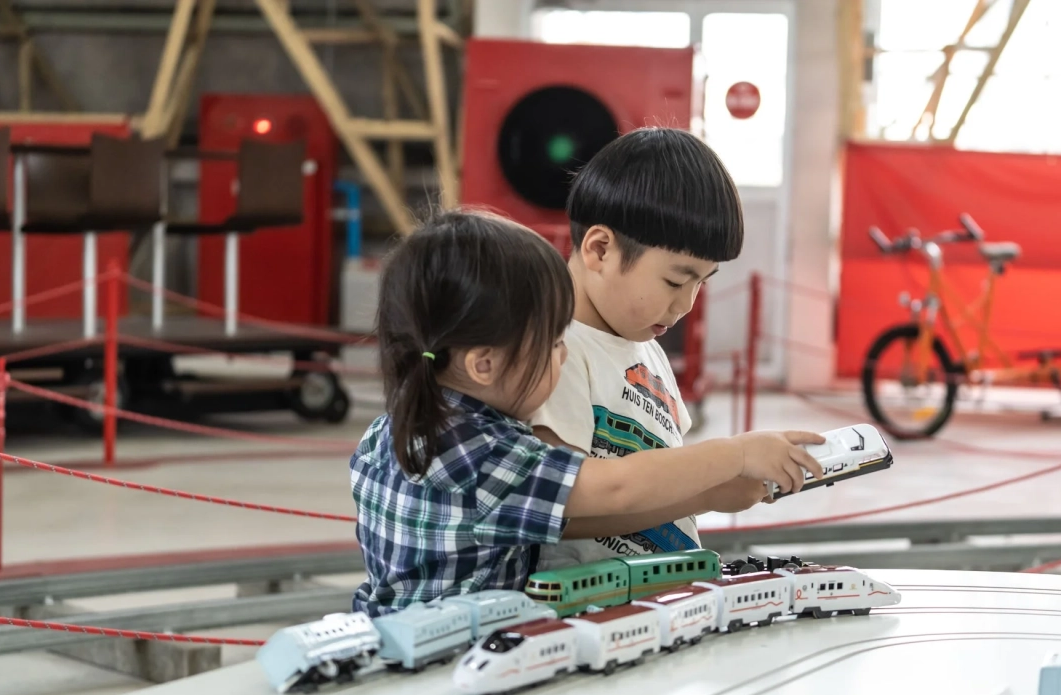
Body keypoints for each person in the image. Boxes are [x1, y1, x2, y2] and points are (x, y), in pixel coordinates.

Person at [350, 209, 823, 615]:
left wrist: (716, 493)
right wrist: (737, 453)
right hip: (455, 656)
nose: (564, 356)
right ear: (484, 363)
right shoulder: (482, 456)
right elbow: (615, 487)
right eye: (555, 343)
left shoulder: (392, 431)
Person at [531, 127, 810, 569]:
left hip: (657, 599)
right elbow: (560, 510)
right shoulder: (553, 351)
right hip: (588, 616)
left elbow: (650, 487)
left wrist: (716, 490)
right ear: (600, 249)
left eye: (701, 283)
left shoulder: (641, 342)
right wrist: (731, 456)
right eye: (676, 281)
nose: (685, 305)